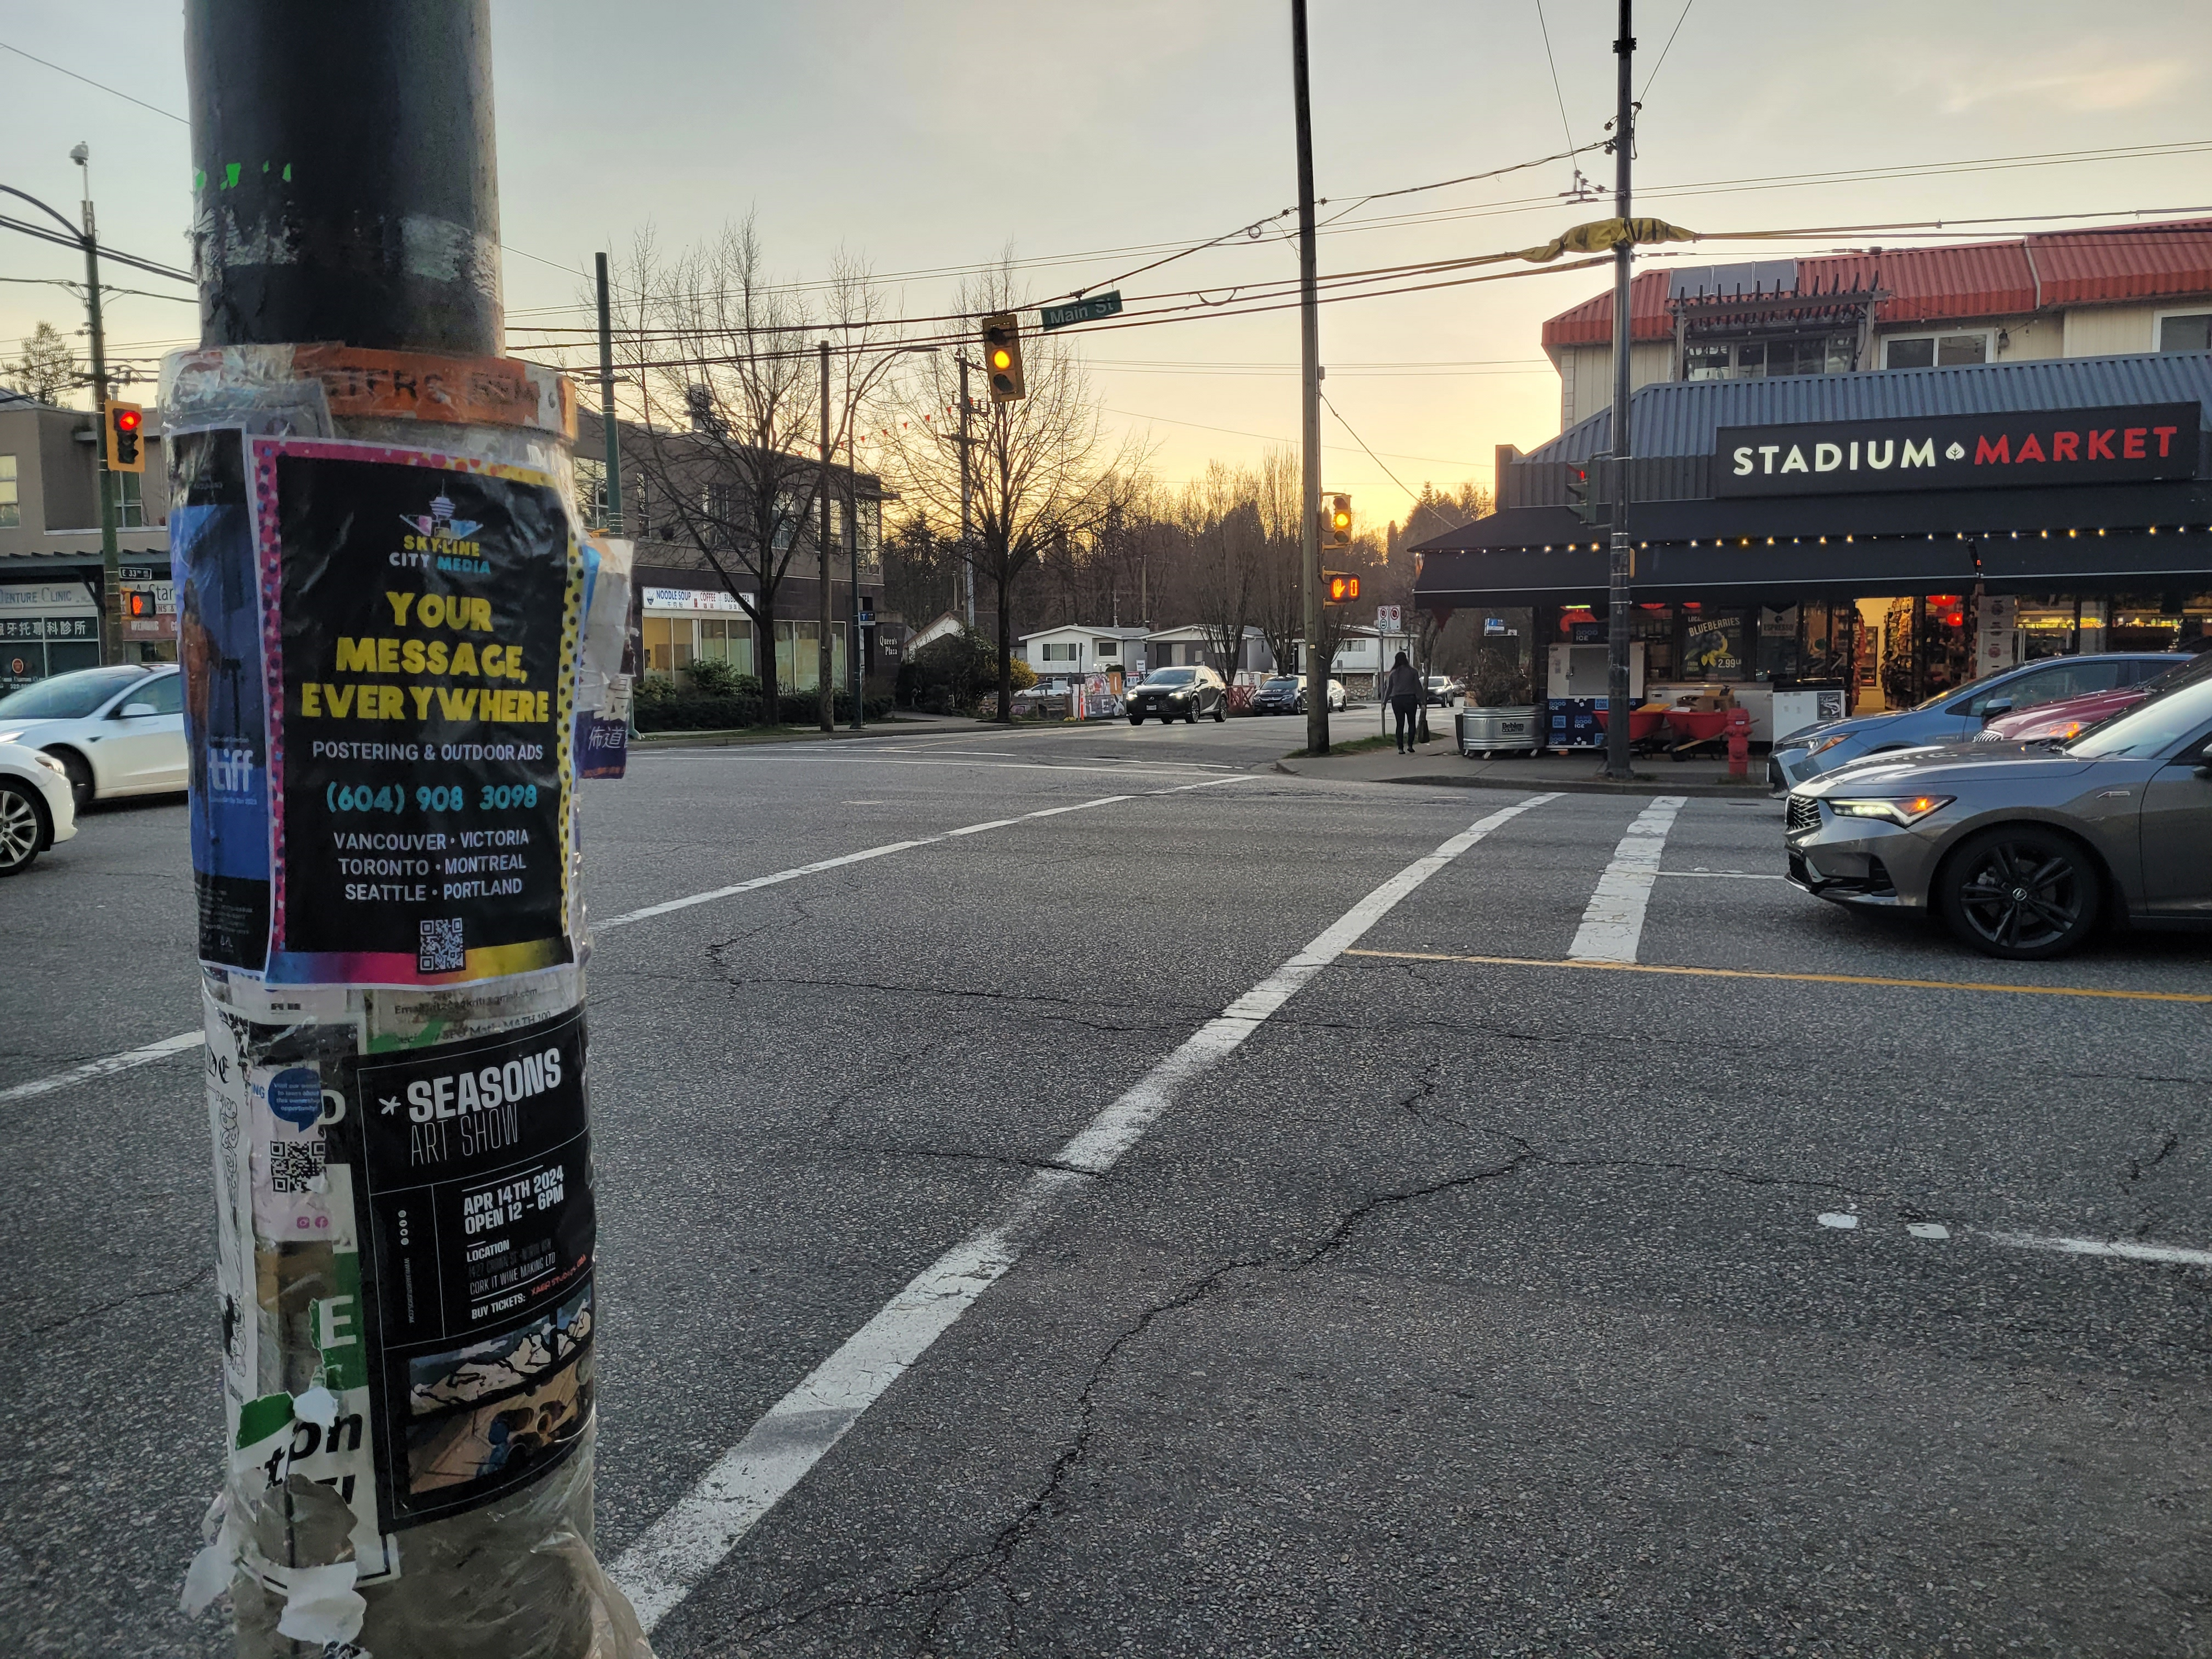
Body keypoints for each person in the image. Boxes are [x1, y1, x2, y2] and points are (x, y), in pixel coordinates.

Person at [1383, 650, 1423, 753]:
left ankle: (1400, 748)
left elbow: (1389, 689)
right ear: (1406, 659)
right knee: (1411, 722)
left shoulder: (1393, 673)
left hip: (1397, 700)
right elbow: (1418, 688)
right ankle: (1410, 745)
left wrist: (1384, 702)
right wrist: (1422, 702)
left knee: (1400, 724)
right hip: (1410, 699)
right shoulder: (1413, 672)